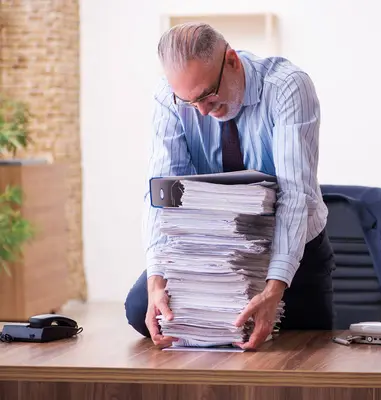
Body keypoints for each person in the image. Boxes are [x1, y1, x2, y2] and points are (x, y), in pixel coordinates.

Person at [124, 22, 335, 350]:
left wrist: (274, 287)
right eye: (190, 102)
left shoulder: (287, 87)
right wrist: (157, 279)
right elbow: (162, 194)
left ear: (233, 61)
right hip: (214, 246)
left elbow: (296, 194)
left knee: (300, 342)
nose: (203, 112)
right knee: (143, 310)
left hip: (290, 246)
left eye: (208, 95)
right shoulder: (170, 98)